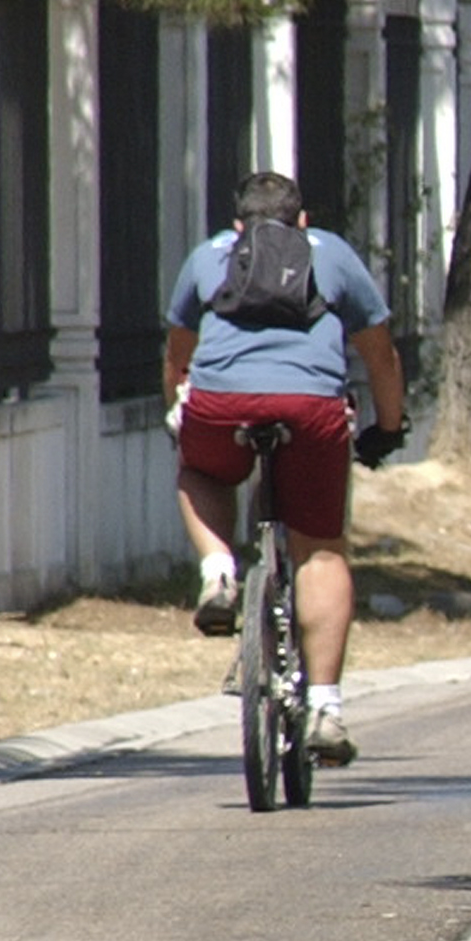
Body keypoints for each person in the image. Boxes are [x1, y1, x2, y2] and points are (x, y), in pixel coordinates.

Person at [163, 172, 408, 766]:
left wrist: (177, 412)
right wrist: (390, 427)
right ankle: (325, 706)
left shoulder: (209, 255)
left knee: (202, 472)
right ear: (303, 222)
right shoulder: (333, 255)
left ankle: (219, 573)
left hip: (222, 404)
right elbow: (380, 355)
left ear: (239, 226)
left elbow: (178, 354)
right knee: (321, 549)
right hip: (312, 410)